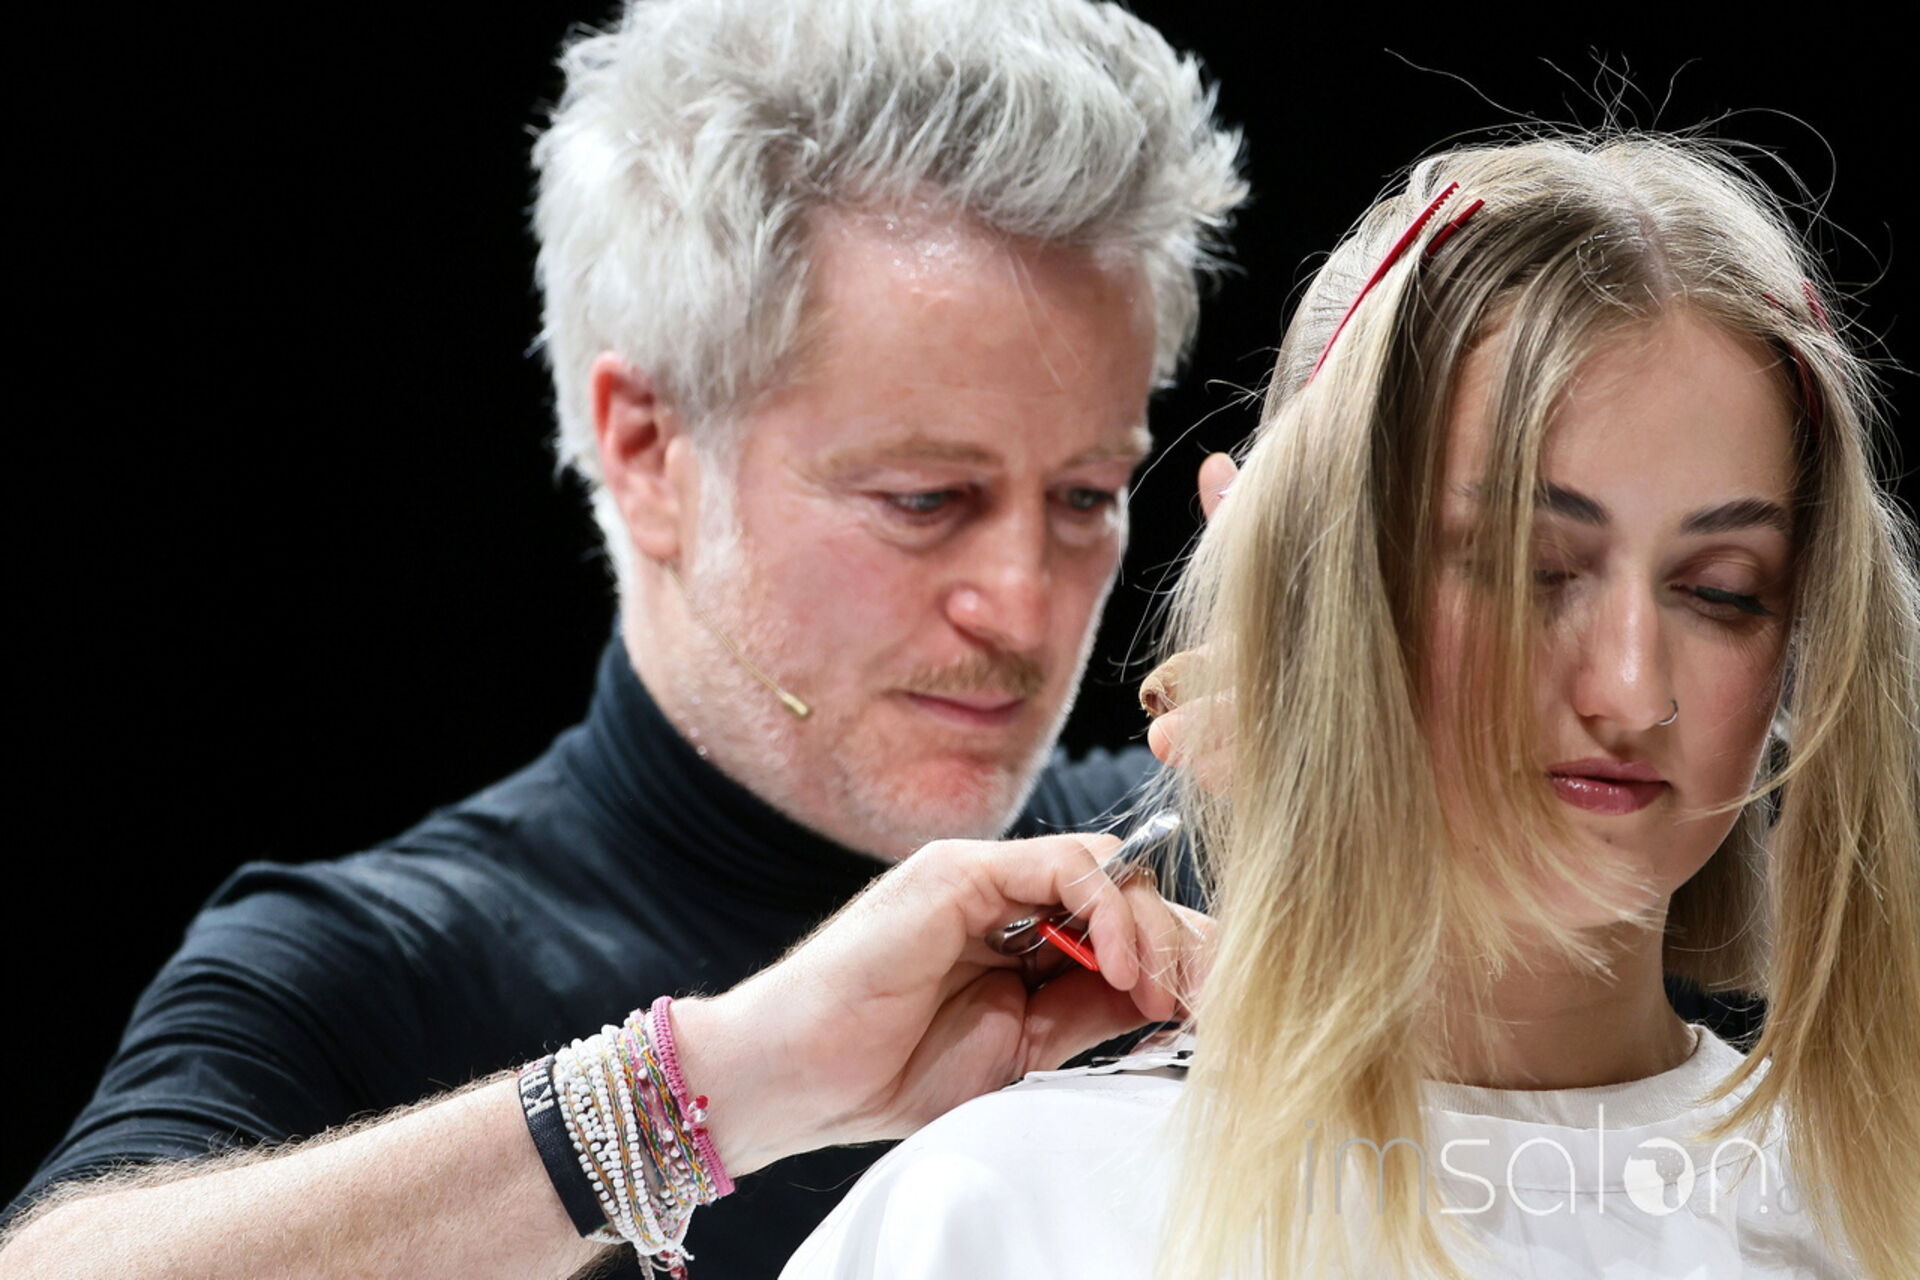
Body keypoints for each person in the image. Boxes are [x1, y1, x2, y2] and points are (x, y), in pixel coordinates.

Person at [0, 0, 1245, 1275]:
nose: (1026, 605)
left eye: (1088, 495)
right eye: (924, 500)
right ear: (648, 450)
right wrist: (707, 1089)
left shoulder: (1227, 850)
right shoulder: (363, 967)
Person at [782, 132, 1920, 1278]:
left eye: (1722, 591)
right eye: (1527, 566)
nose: (1631, 688)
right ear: (1301, 582)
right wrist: (721, 1085)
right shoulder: (1010, 1210)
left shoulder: (1868, 1221)